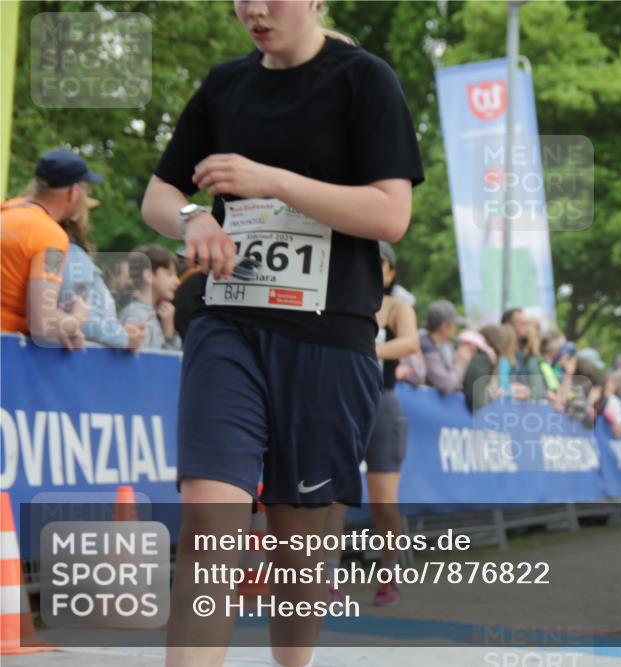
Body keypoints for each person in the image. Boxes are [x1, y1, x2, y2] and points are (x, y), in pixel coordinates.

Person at [140, 1, 423, 665]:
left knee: (300, 550)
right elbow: (159, 193)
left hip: (329, 336)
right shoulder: (225, 84)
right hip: (228, 323)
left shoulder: (365, 79)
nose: (255, 9)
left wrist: (271, 181)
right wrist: (193, 219)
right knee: (209, 524)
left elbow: (391, 214)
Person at [325, 241, 418, 606]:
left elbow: (409, 343)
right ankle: (329, 578)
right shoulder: (339, 301)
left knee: (383, 501)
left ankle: (389, 571)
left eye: (379, 264)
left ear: (391, 272)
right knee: (334, 495)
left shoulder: (396, 307)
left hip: (381, 402)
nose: (370, 268)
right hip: (341, 403)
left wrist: (365, 349)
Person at [1, 150, 101, 349]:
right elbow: (42, 323)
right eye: (86, 190)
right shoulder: (51, 238)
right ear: (73, 191)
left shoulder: (6, 210)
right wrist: (76, 318)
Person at [53, 197, 147, 351]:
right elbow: (82, 319)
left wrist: (119, 331)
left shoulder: (64, 252)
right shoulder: (72, 254)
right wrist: (124, 337)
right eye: (86, 211)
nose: (89, 221)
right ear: (76, 215)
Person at [118, 245, 182, 351]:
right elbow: (145, 359)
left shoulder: (154, 313)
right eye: (169, 274)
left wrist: (169, 330)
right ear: (148, 276)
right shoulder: (135, 315)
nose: (177, 281)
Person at [420, 299, 472, 393]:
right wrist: (461, 363)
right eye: (454, 324)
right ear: (444, 326)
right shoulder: (427, 347)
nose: (456, 328)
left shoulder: (444, 345)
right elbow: (445, 385)